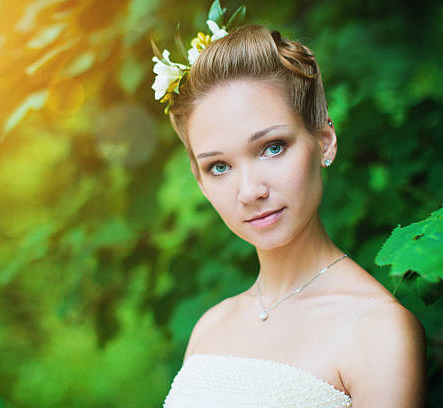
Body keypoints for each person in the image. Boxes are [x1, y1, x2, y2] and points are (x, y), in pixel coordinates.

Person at [154, 21, 426, 408]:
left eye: (272, 147)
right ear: (199, 182)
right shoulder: (209, 329)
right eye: (219, 167)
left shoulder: (377, 329)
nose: (250, 192)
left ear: (324, 140)